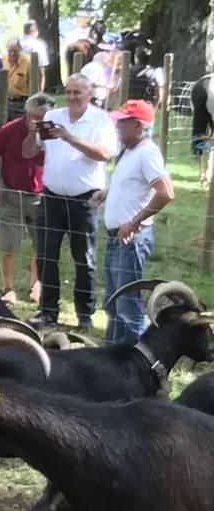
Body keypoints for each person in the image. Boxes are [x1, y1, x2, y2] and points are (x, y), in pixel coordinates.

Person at [28, 74, 117, 330]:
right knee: (46, 255)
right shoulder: (52, 116)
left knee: (84, 259)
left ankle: (85, 315)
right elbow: (33, 150)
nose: (71, 97)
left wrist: (69, 138)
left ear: (89, 94)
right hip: (52, 197)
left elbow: (104, 154)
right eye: (67, 92)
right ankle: (48, 311)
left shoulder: (101, 120)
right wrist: (31, 132)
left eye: (77, 93)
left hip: (84, 200)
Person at [95, 99, 174, 343]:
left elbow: (166, 192)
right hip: (117, 237)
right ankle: (113, 354)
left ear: (138, 126)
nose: (118, 128)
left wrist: (135, 222)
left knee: (127, 307)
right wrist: (107, 193)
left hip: (131, 239)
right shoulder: (129, 151)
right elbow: (132, 184)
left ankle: (137, 361)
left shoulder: (147, 154)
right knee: (114, 301)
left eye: (123, 123)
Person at [0, 93, 54, 305]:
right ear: (26, 113)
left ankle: (36, 283)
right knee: (9, 244)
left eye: (41, 117)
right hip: (11, 194)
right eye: (33, 116)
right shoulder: (10, 130)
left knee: (41, 244)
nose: (36, 122)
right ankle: (7, 287)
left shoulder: (53, 133)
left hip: (42, 195)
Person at [3, 37, 41, 122]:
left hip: (22, 103)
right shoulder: (3, 60)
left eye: (15, 51)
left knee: (21, 129)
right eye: (10, 51)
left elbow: (37, 84)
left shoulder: (28, 62)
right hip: (7, 102)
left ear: (20, 49)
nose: (12, 54)